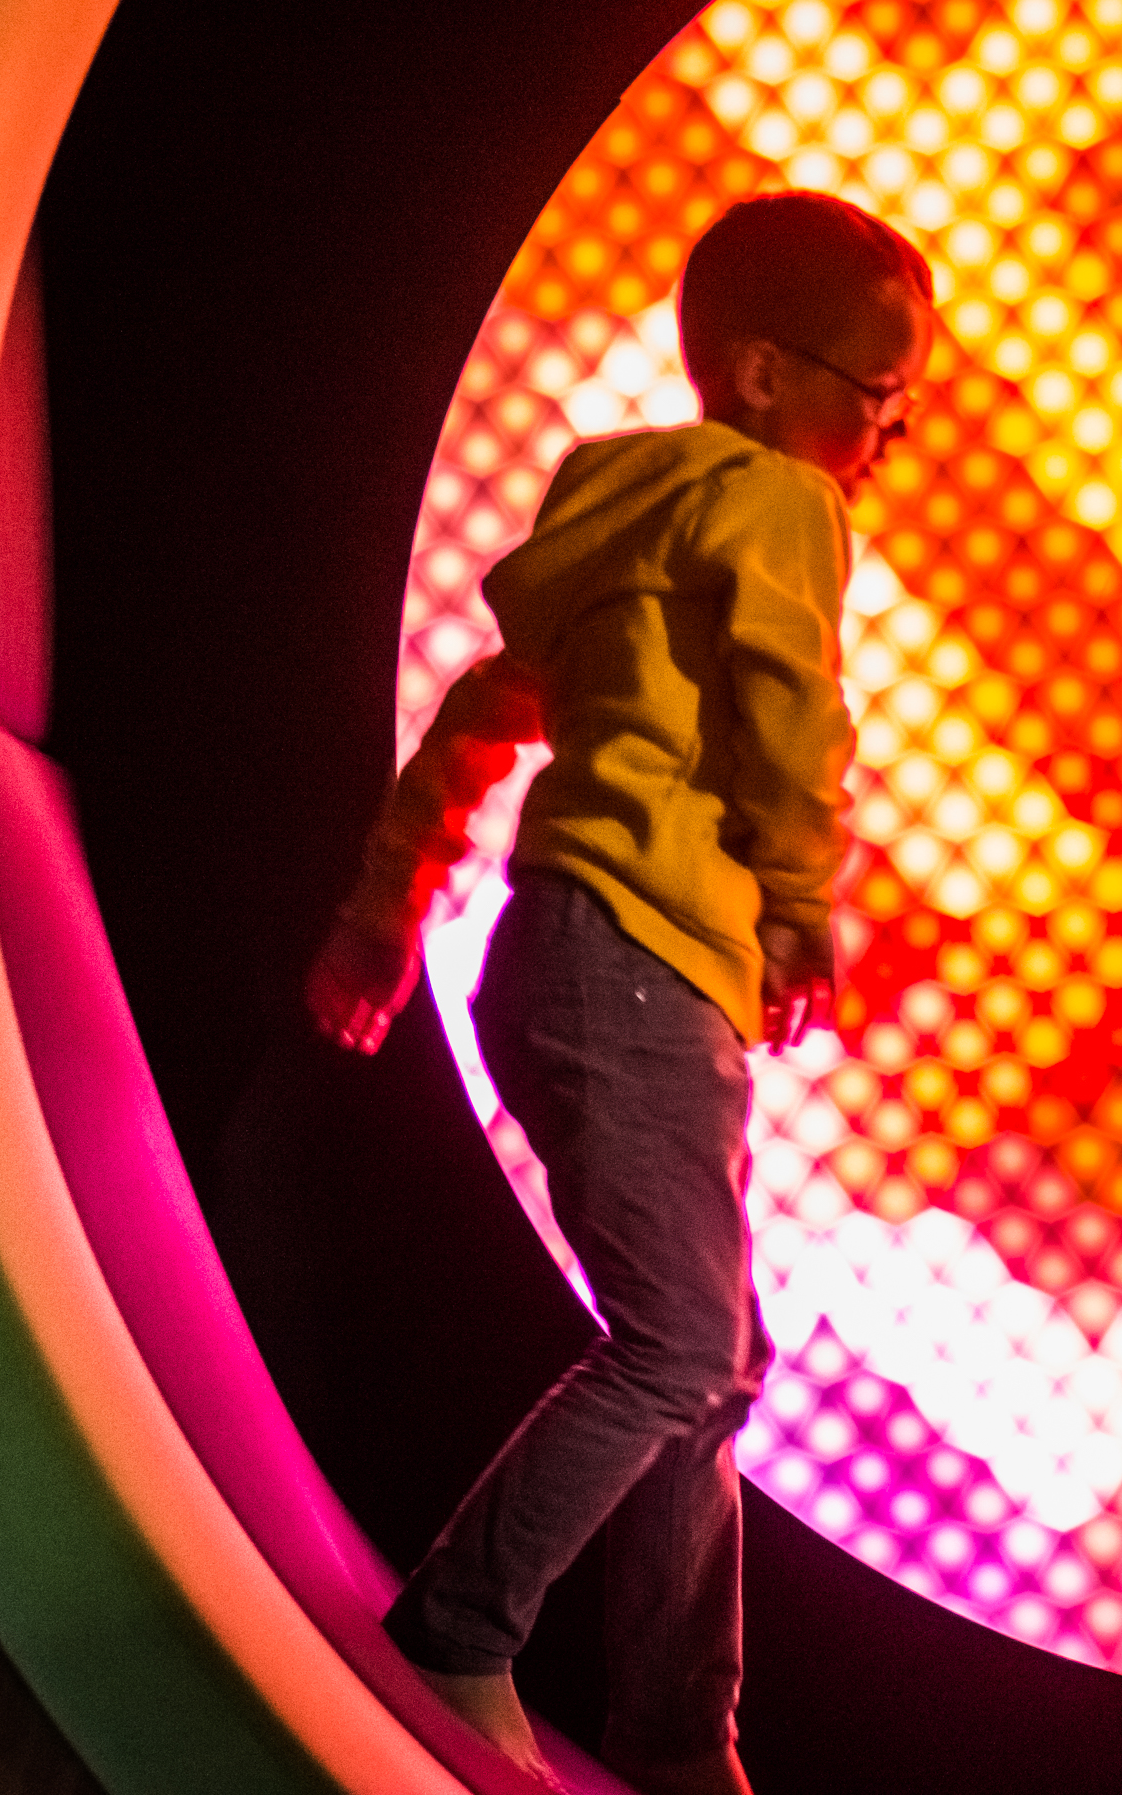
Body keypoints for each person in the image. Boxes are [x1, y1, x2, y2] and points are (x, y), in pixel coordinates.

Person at [304, 190, 935, 1795]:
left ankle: (676, 1733)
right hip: (646, 967)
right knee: (681, 1351)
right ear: (766, 375)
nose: (893, 430)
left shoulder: (625, 524)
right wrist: (802, 903)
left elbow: (478, 713)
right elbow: (792, 710)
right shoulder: (778, 503)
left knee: (713, 1354)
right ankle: (459, 1625)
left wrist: (386, 904)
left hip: (561, 962)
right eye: (880, 391)